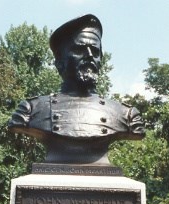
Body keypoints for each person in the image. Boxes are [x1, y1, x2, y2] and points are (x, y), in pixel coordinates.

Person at [8, 14, 145, 164]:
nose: (89, 56)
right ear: (59, 62)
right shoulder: (31, 110)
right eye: (79, 50)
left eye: (95, 51)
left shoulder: (126, 115)